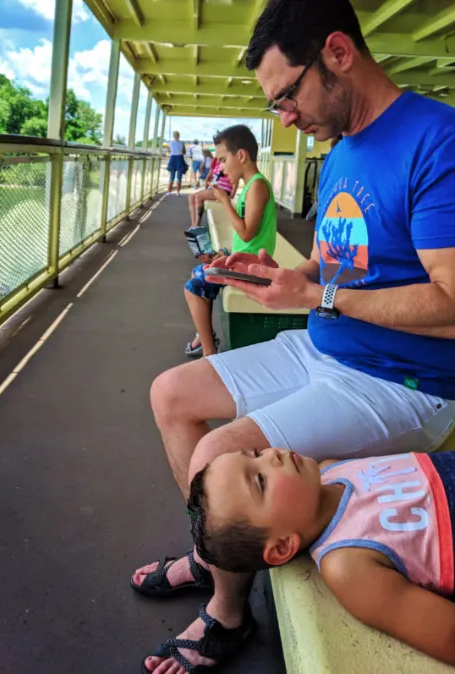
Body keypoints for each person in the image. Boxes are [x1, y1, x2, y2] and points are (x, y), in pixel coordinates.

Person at [133, 1, 455, 672]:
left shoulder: (436, 139)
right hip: (324, 345)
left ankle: (224, 611)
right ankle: (215, 553)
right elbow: (338, 264)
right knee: (171, 393)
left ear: (337, 54)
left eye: (286, 96)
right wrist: (288, 274)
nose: (283, 117)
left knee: (219, 452)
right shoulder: (341, 153)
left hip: (401, 384)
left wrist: (318, 295)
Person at [188, 446, 455, 666]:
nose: (272, 455)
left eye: (256, 454)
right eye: (260, 480)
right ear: (282, 547)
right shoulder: (346, 565)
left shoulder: (331, 469)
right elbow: (447, 634)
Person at [184, 125, 277, 358]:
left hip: (256, 267)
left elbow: (246, 233)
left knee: (193, 288)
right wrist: (223, 254)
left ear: (241, 155)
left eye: (224, 160)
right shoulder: (251, 186)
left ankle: (209, 352)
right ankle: (204, 337)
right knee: (201, 271)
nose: (222, 168)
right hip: (245, 258)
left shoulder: (257, 186)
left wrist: (225, 201)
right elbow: (245, 239)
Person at [187, 154, 235, 230]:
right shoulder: (216, 161)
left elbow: (235, 180)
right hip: (213, 188)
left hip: (223, 189)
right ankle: (193, 224)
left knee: (198, 197)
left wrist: (232, 195)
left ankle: (197, 224)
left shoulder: (229, 161)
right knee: (191, 197)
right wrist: (206, 187)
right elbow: (209, 176)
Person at [167, 131, 187, 195]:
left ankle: (169, 192)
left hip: (172, 159)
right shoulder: (182, 143)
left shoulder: (170, 143)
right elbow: (184, 152)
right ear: (179, 135)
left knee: (172, 176)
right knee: (179, 177)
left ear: (173, 136)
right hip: (180, 159)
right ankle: (178, 192)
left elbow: (169, 151)